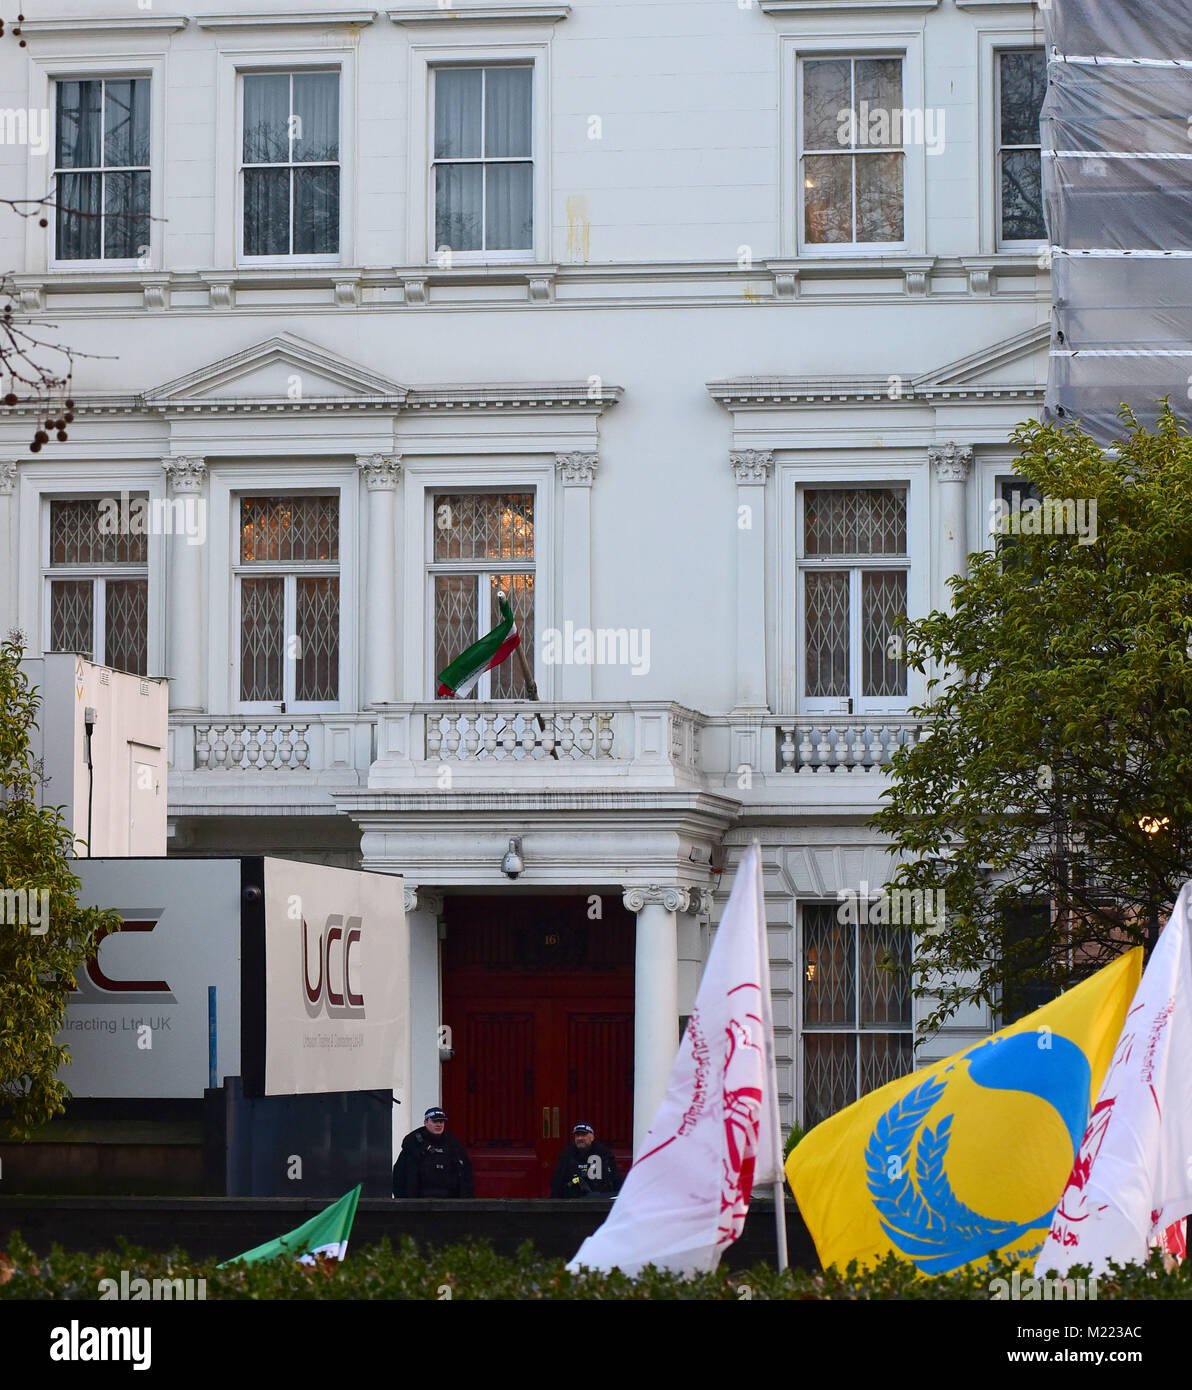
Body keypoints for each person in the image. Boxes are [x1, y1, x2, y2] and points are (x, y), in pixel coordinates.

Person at [393, 1107, 475, 1198]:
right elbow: (399, 1175)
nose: (439, 1124)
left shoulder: (453, 1144)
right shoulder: (413, 1144)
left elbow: (466, 1172)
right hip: (418, 1202)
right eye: (435, 1121)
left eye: (441, 1121)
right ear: (426, 1122)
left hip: (450, 1202)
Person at [550, 1122, 622, 1198]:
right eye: (577, 1135)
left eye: (583, 1135)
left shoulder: (603, 1153)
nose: (580, 1138)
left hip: (599, 1199)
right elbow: (558, 1180)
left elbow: (615, 1177)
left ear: (592, 1137)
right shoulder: (567, 1154)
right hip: (573, 1199)